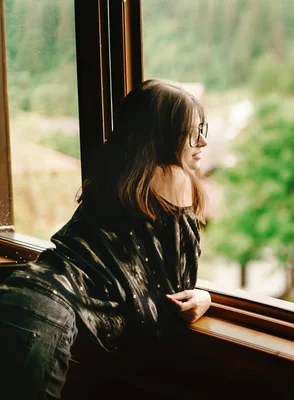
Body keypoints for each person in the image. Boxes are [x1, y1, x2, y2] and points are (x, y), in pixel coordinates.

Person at [0, 79, 212, 399]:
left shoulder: (115, 176)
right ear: (167, 136)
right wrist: (205, 298)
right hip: (48, 312)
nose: (203, 143)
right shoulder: (174, 177)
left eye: (203, 129)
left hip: (21, 292)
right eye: (194, 132)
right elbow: (177, 293)